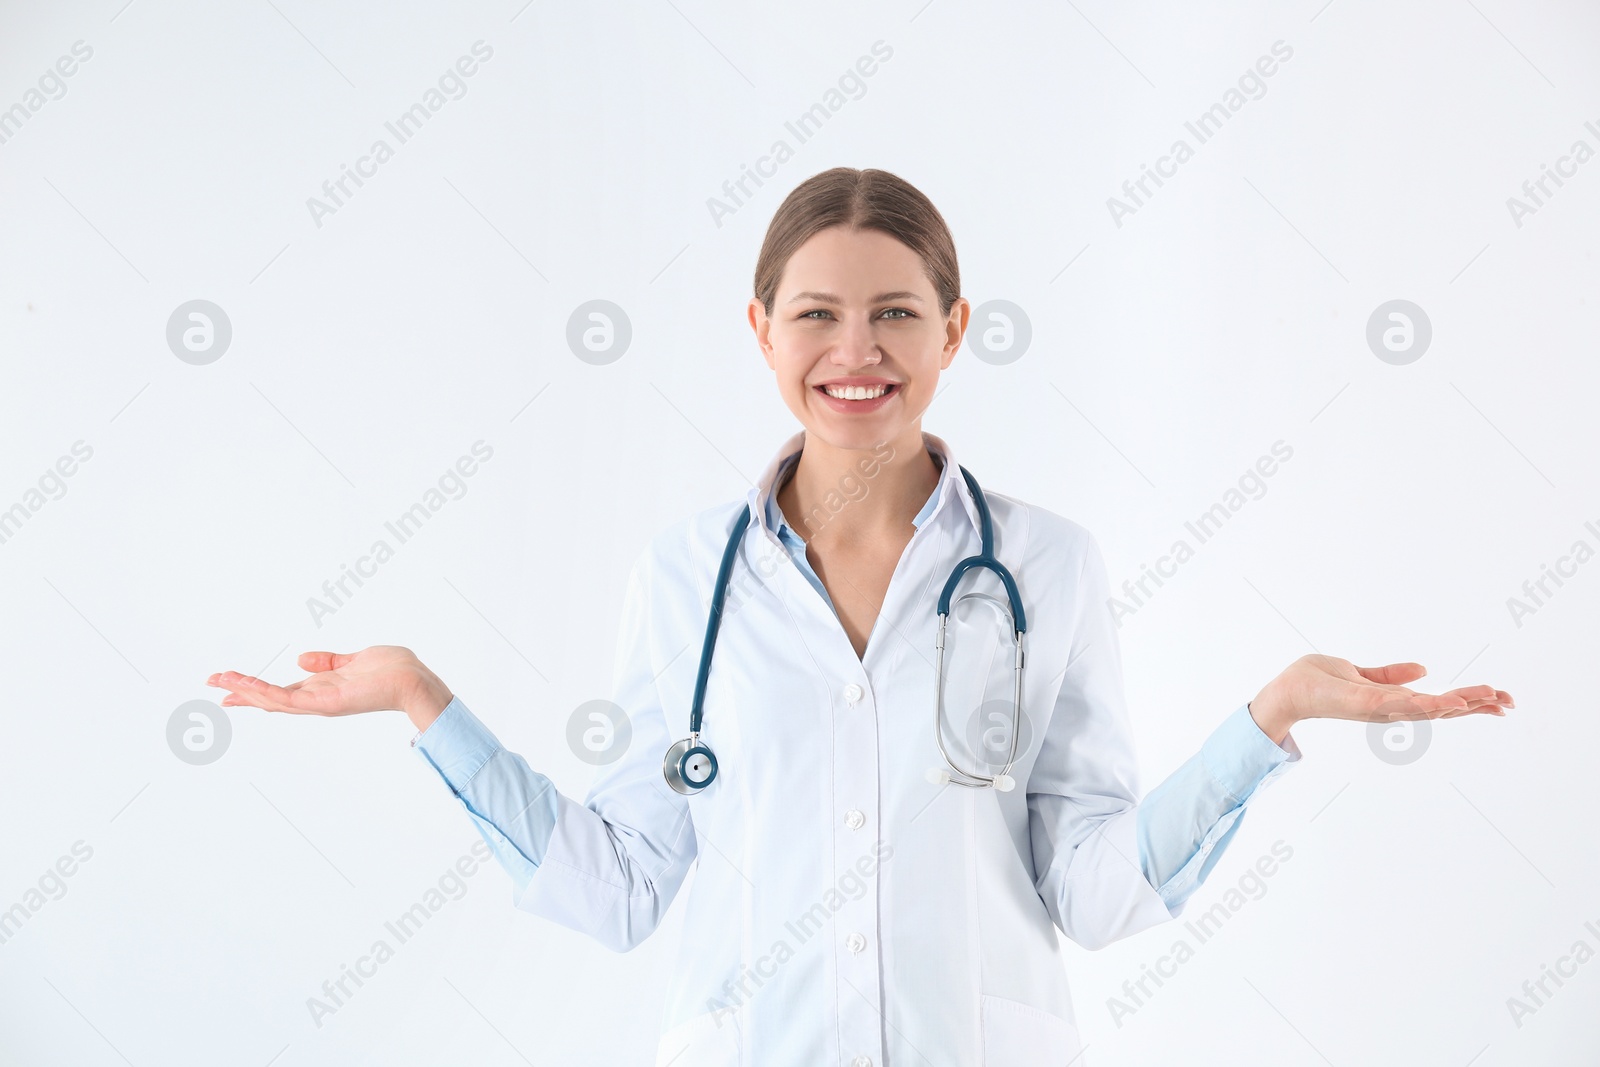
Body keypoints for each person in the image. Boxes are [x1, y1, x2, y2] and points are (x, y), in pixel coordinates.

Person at [208, 168, 1512, 1066]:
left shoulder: (1047, 568)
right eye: (819, 314)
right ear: (761, 331)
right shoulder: (684, 580)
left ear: (952, 332)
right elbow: (618, 891)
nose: (858, 350)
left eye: (896, 313)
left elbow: (1098, 893)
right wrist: (422, 704)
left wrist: (1267, 720)